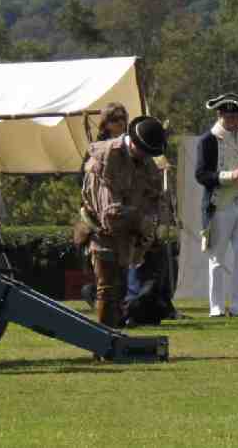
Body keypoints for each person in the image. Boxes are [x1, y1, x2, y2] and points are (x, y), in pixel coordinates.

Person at [80, 116, 168, 331]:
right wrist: (142, 221)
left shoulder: (146, 162)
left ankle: (114, 340)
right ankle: (103, 346)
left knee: (118, 291)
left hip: (128, 235)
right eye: (145, 152)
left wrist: (155, 223)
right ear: (134, 143)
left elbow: (155, 197)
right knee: (107, 289)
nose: (148, 157)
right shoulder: (108, 157)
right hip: (102, 233)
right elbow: (110, 215)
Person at [194, 93, 238, 317]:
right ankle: (216, 307)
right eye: (230, 118)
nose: (235, 122)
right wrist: (228, 176)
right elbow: (201, 174)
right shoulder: (208, 140)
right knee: (217, 258)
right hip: (220, 205)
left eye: (237, 117)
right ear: (220, 115)